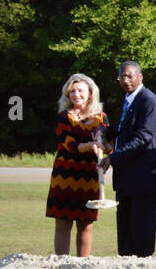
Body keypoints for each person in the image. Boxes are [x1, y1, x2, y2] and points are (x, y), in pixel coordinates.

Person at [100, 61, 156, 257]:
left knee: (142, 236)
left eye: (129, 76)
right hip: (127, 177)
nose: (125, 80)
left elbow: (143, 137)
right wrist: (108, 132)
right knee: (126, 235)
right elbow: (127, 131)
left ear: (140, 76)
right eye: (122, 76)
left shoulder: (149, 101)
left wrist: (113, 158)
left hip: (145, 177)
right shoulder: (129, 99)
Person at [46, 74, 113, 257]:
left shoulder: (101, 117)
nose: (76, 94)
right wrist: (89, 145)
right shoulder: (63, 117)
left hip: (90, 177)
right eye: (72, 91)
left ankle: (82, 266)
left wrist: (104, 142)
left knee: (86, 223)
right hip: (64, 175)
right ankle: (61, 263)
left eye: (80, 90)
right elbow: (67, 143)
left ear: (90, 93)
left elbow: (109, 148)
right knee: (62, 222)